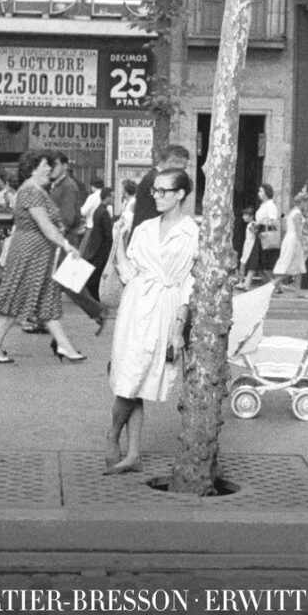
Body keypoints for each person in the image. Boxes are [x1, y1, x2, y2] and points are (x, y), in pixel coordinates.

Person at [105, 168, 198, 475]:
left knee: (137, 379)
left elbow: (188, 284)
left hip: (163, 310)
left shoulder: (192, 233)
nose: (155, 196)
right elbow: (129, 272)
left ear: (180, 194)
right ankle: (132, 452)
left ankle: (114, 437)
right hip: (134, 307)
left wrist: (178, 329)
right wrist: (118, 241)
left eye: (162, 191)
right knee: (130, 377)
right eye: (154, 190)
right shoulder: (144, 228)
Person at [0, 151, 85, 364]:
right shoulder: (31, 191)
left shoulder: (34, 189)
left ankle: (64, 346)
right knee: (18, 296)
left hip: (36, 253)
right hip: (30, 252)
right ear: (33, 168)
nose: (49, 169)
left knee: (45, 298)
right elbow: (45, 225)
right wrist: (66, 245)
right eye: (45, 165)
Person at [49, 152, 106, 333]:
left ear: (65, 166)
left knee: (68, 280)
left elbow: (67, 217)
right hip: (59, 237)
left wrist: (51, 227)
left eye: (55, 164)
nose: (51, 168)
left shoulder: (68, 186)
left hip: (64, 238)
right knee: (62, 280)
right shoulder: (57, 185)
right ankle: (47, 319)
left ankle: (98, 311)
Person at [129, 145, 190, 237]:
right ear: (170, 162)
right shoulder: (155, 181)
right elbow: (150, 215)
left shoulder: (152, 177)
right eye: (182, 169)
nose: (183, 173)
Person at [237, 183, 280, 289]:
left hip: (264, 234)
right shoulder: (263, 205)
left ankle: (248, 284)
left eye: (261, 191)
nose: (259, 193)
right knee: (259, 262)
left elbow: (274, 222)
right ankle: (275, 286)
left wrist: (259, 223)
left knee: (258, 261)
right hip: (260, 234)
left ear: (266, 193)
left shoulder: (270, 206)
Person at [82, 187, 114, 303]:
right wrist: (111, 248)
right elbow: (108, 233)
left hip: (96, 245)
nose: (113, 199)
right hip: (102, 247)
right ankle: (93, 297)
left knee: (96, 272)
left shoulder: (98, 210)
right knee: (98, 273)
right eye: (112, 196)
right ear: (107, 197)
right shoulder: (104, 213)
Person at [272, 191, 308, 294]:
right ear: (302, 202)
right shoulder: (297, 214)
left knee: (297, 265)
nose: (307, 205)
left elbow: (282, 219)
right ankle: (273, 284)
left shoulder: (291, 211)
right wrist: (304, 244)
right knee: (292, 265)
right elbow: (298, 230)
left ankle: (297, 291)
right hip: (294, 241)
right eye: (306, 203)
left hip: (289, 237)